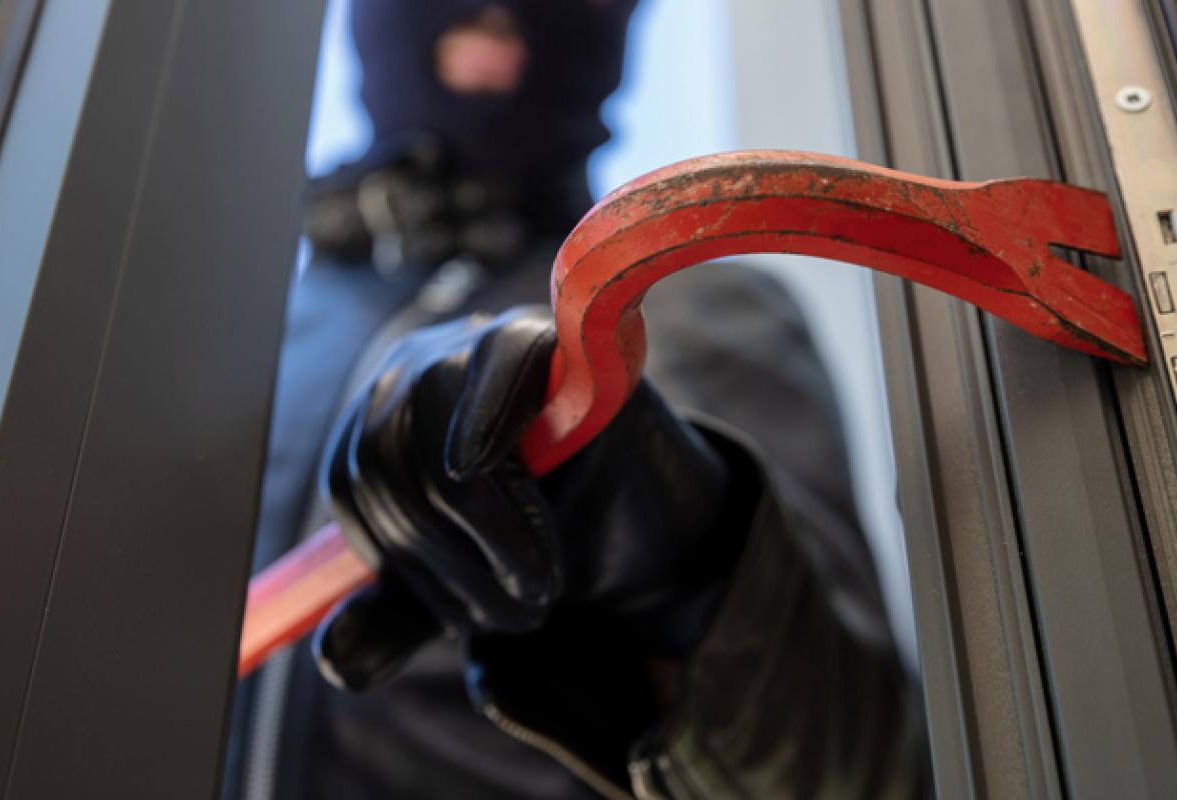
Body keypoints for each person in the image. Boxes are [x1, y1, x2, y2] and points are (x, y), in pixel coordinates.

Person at [224, 2, 928, 798]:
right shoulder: (263, 335)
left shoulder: (682, 311)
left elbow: (870, 772)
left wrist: (686, 568)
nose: (496, 12)